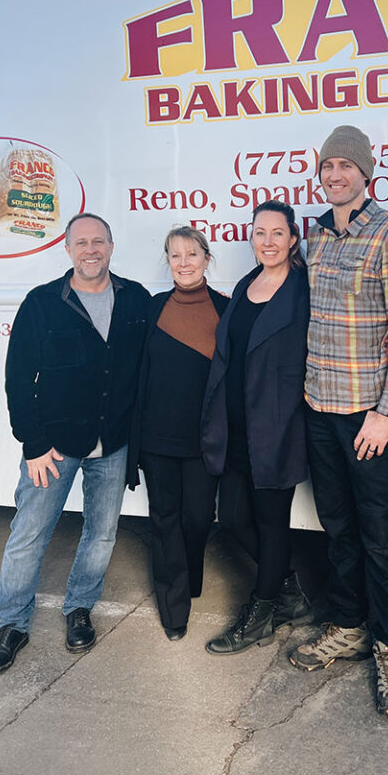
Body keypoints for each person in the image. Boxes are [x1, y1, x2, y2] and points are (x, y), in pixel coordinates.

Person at [288, 125, 388, 718]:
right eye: (327, 167)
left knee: (380, 538)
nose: (335, 176)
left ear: (366, 173)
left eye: (345, 166)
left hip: (365, 418)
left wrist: (385, 414)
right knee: (338, 529)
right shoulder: (316, 237)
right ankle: (347, 628)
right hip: (318, 407)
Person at [0, 213, 151, 674]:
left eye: (99, 241)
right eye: (81, 243)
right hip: (52, 447)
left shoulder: (134, 298)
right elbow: (18, 378)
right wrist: (32, 443)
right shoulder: (41, 303)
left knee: (102, 533)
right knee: (29, 534)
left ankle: (79, 608)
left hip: (112, 444)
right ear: (68, 249)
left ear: (111, 246)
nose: (90, 250)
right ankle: (11, 624)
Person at [202, 200, 312, 654]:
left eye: (277, 233)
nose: (267, 241)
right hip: (235, 425)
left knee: (271, 523)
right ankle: (288, 592)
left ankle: (263, 611)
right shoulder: (248, 284)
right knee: (232, 519)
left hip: (277, 425)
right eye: (259, 233)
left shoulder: (303, 288)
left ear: (292, 240)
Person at [126, 226, 228, 640]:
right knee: (165, 519)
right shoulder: (152, 309)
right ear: (167, 261)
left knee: (199, 518)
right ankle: (174, 608)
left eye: (191, 254)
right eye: (175, 255)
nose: (183, 263)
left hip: (204, 439)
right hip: (156, 438)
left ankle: (190, 576)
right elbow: (135, 375)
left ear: (206, 258)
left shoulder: (226, 308)